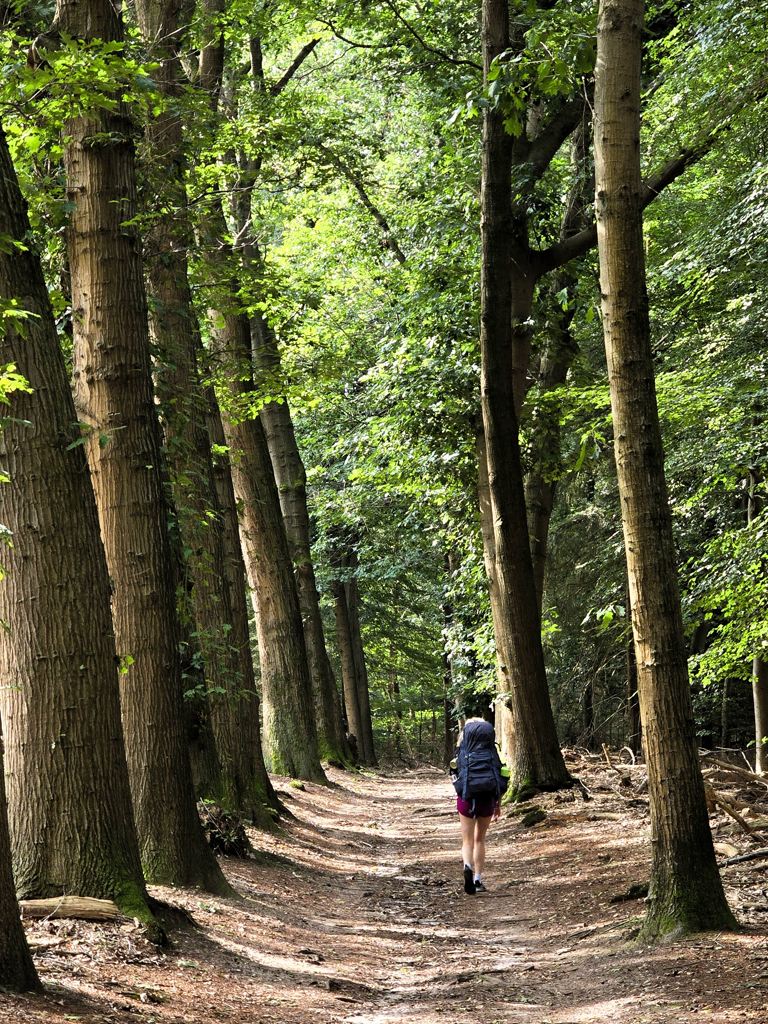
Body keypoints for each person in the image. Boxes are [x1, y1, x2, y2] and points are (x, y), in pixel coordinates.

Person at [450, 717, 507, 895]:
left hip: (466, 798)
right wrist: (498, 804)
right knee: (480, 839)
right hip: (488, 799)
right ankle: (477, 880)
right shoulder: (492, 753)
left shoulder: (461, 752)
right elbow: (501, 776)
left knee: (467, 840)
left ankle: (467, 865)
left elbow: (455, 777)